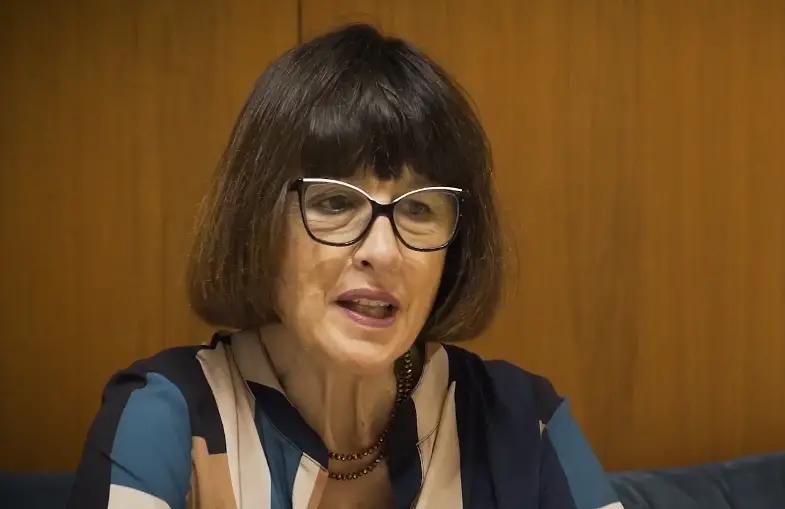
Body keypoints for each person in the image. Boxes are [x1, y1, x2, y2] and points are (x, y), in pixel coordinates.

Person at [67, 23, 622, 509]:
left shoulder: (523, 423)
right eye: (335, 202)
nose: (384, 251)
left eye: (419, 210)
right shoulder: (168, 418)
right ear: (258, 222)